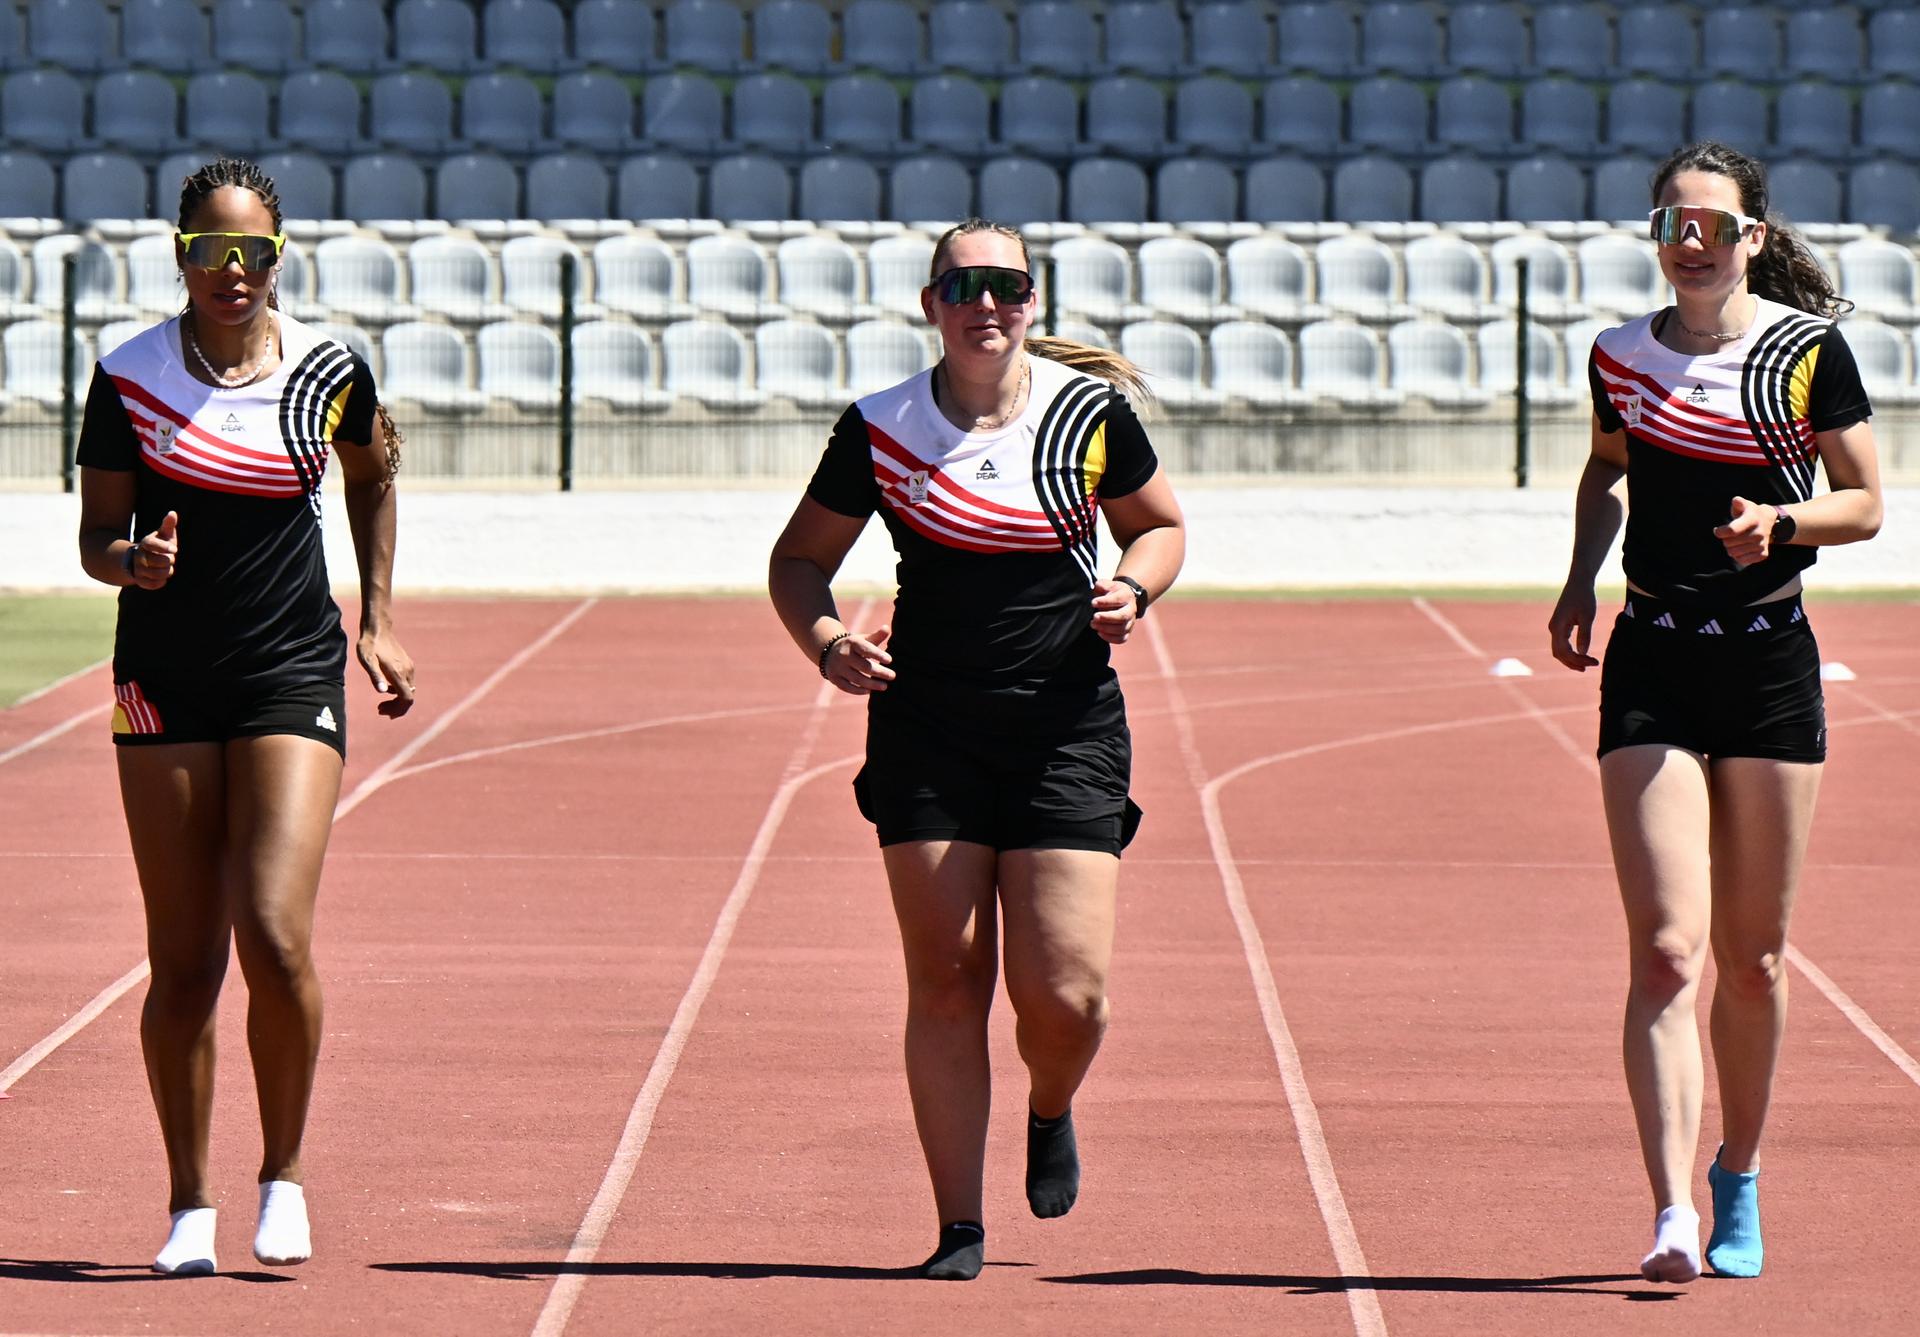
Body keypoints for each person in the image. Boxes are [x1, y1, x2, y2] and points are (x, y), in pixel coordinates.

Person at [768, 218, 1185, 1280]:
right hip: (929, 730)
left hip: (1065, 725)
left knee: (1069, 995)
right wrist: (827, 643)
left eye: (1006, 286)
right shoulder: (881, 428)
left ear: (1033, 301)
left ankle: (1052, 1101)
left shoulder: (1087, 415)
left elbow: (1161, 524)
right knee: (948, 977)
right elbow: (800, 560)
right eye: (965, 287)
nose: (986, 304)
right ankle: (958, 1223)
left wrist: (1133, 584)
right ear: (931, 305)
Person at [1548, 141, 1883, 1284]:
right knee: (1664, 948)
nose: (1690, 242)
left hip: (1768, 665)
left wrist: (1782, 526)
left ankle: (1739, 1168)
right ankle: (1670, 1209)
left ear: (1750, 238)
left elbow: (1868, 503)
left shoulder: (1803, 355)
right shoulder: (1619, 356)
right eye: (1672, 224)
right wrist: (1579, 577)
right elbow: (1605, 472)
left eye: (1712, 224)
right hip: (1653, 658)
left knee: (1756, 959)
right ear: (1657, 238)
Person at [75, 158, 415, 1276]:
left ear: (282, 256)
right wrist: (138, 562)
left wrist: (378, 617)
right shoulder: (127, 377)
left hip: (288, 670)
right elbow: (97, 541)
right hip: (161, 681)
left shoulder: (328, 370)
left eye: (254, 251)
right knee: (182, 962)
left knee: (272, 929)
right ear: (180, 254)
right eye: (213, 250)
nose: (234, 271)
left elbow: (372, 474)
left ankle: (285, 1174)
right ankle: (187, 1202)